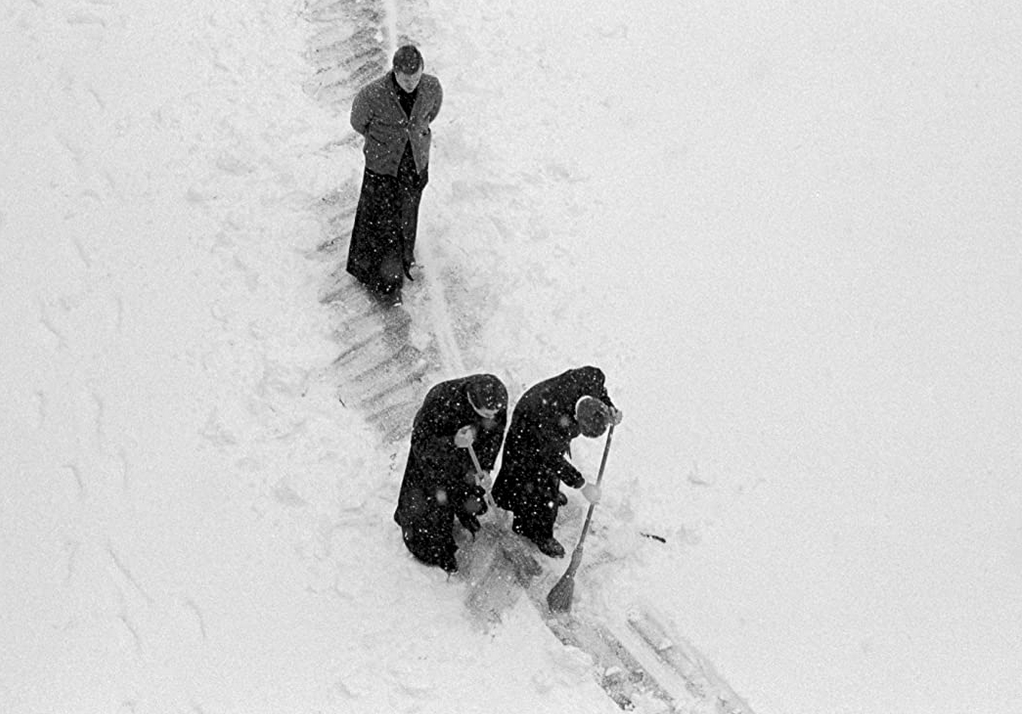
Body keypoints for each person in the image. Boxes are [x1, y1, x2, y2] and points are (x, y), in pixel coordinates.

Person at [492, 366, 623, 558]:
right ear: (576, 419)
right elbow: (552, 459)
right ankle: (535, 531)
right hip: (529, 421)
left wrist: (609, 406)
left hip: (551, 417)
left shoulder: (590, 380)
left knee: (547, 475)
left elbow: (597, 379)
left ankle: (544, 500)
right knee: (534, 475)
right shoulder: (549, 422)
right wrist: (583, 485)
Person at [347, 44, 443, 306]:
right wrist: (383, 142)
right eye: (405, 78)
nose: (410, 84)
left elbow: (430, 115)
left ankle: (404, 258)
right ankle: (385, 281)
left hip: (414, 165)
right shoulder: (372, 94)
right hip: (383, 170)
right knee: (381, 222)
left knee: (407, 215)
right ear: (395, 72)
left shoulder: (432, 87)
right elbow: (358, 122)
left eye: (415, 77)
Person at [394, 374, 508, 574]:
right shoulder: (441, 399)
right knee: (432, 512)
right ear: (473, 401)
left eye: (495, 413)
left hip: (468, 465)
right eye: (486, 414)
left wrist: (486, 469)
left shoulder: (495, 406)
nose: (492, 417)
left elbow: (493, 439)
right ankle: (434, 550)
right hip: (435, 465)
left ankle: (464, 512)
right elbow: (421, 444)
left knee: (470, 496)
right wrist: (452, 442)